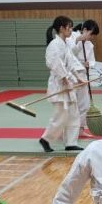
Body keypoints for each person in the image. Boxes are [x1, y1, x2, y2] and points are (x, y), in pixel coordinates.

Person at [39, 16, 84, 153]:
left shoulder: (65, 44)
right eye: (69, 27)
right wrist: (64, 78)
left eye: (71, 27)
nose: (71, 30)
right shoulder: (54, 45)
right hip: (59, 85)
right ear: (61, 28)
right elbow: (54, 63)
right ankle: (45, 139)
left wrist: (78, 78)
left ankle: (70, 142)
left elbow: (71, 64)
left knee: (73, 114)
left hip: (67, 84)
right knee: (61, 115)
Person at [69, 20, 100, 137]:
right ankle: (67, 131)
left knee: (84, 104)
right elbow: (68, 54)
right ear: (85, 30)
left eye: (93, 36)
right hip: (71, 76)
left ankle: (80, 130)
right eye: (91, 34)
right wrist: (77, 40)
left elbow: (92, 61)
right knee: (71, 104)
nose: (91, 37)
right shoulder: (71, 37)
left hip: (82, 75)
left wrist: (89, 64)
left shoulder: (89, 45)